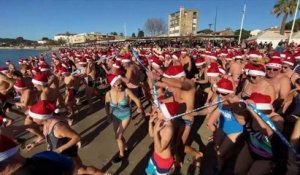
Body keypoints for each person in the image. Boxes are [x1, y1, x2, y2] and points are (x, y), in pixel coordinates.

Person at [0, 134, 109, 175]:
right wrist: (36, 144)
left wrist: (60, 149)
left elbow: (76, 137)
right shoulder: (44, 156)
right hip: (56, 155)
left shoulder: (57, 125)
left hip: (62, 150)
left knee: (81, 169)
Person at [234, 93, 284, 175]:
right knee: (238, 171)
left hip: (267, 157)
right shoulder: (250, 115)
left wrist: (254, 112)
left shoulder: (277, 119)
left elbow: (268, 132)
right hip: (251, 149)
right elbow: (240, 121)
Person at [105, 74, 144, 163]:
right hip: (115, 116)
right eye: (118, 85)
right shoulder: (108, 94)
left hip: (126, 115)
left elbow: (137, 100)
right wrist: (108, 115)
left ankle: (121, 154)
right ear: (112, 85)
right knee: (119, 135)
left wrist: (139, 108)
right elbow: (106, 105)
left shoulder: (126, 91)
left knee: (118, 137)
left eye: (121, 83)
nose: (121, 86)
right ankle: (125, 147)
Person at [206, 78, 243, 171]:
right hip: (222, 127)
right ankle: (220, 165)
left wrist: (231, 106)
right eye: (218, 92)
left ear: (230, 93)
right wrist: (195, 113)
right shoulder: (219, 98)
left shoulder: (238, 102)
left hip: (235, 131)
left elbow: (242, 121)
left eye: (223, 93)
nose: (220, 95)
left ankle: (221, 168)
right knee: (216, 148)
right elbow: (209, 110)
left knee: (220, 152)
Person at [145, 102, 179, 175]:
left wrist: (157, 132)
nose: (158, 111)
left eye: (160, 110)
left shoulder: (169, 129)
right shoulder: (160, 121)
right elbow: (151, 135)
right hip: (155, 156)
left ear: (165, 114)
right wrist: (150, 123)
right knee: (149, 172)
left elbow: (160, 148)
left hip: (164, 161)